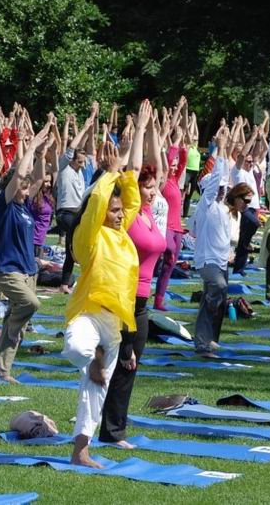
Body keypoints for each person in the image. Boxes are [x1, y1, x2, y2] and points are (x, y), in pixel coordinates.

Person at [62, 132, 142, 468]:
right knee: (77, 349)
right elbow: (95, 207)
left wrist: (122, 169)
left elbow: (133, 200)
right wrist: (109, 173)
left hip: (114, 324)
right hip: (88, 314)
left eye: (120, 211)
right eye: (114, 211)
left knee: (95, 393)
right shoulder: (89, 237)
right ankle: (92, 358)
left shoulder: (122, 236)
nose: (120, 215)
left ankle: (81, 450)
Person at [98, 154, 162, 448]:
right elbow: (133, 171)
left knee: (129, 367)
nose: (151, 191)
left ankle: (114, 428)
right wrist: (138, 134)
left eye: (153, 186)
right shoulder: (131, 214)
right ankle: (111, 432)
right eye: (146, 187)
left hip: (142, 303)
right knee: (124, 363)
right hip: (125, 298)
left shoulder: (149, 215)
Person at [0, 119, 53, 383]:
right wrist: (30, 147)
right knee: (31, 304)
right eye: (22, 187)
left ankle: (4, 370)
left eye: (27, 188)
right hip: (8, 270)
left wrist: (40, 155)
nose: (26, 190)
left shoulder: (26, 207)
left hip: (29, 270)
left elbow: (38, 178)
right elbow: (18, 176)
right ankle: (14, 327)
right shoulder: (4, 206)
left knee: (13, 322)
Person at [191, 124, 232, 357]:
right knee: (217, 289)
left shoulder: (221, 207)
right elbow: (217, 176)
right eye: (218, 188)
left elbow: (224, 175)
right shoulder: (206, 204)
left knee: (219, 297)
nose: (222, 191)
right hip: (207, 261)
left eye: (224, 189)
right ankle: (202, 342)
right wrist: (219, 148)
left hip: (221, 260)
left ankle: (207, 340)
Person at [56, 104, 97, 293]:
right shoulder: (64, 167)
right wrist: (84, 125)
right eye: (79, 161)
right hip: (66, 213)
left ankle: (64, 284)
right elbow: (72, 146)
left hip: (76, 213)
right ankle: (87, 281)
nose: (82, 164)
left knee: (71, 251)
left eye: (83, 161)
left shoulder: (81, 172)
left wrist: (92, 119)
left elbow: (88, 148)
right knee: (85, 244)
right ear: (71, 160)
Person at [153, 141, 187, 309]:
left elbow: (182, 162)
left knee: (169, 265)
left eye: (175, 166)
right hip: (166, 227)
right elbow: (168, 164)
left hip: (178, 229)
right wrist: (174, 146)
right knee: (170, 252)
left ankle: (158, 300)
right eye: (171, 165)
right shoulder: (164, 181)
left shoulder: (174, 179)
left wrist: (184, 148)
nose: (174, 168)